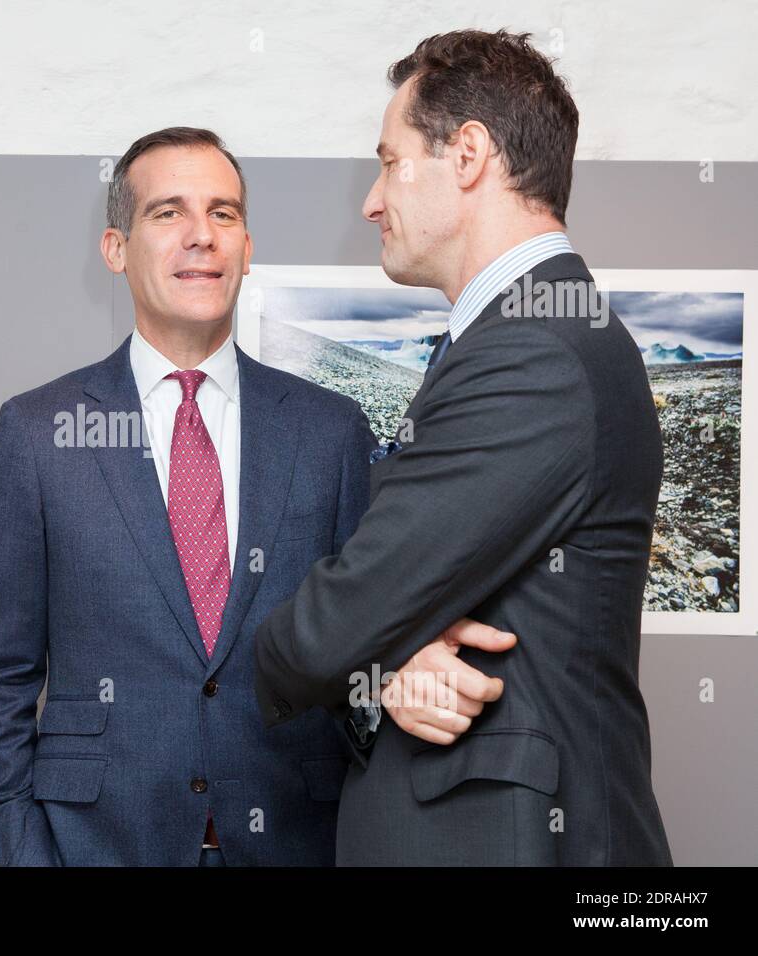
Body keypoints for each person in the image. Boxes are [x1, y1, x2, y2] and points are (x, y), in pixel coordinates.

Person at [0, 126, 510, 866]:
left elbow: (361, 640)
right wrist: (24, 852)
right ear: (116, 249)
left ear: (246, 247)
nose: (201, 237)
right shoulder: (36, 434)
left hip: (297, 838)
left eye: (223, 214)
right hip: (96, 844)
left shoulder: (329, 431)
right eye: (168, 213)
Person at [254, 30, 673, 866]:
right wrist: (394, 659)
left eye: (389, 161)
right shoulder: (527, 336)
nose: (372, 201)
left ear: (470, 153)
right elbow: (424, 591)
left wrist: (351, 644)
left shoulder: (533, 354)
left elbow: (318, 636)